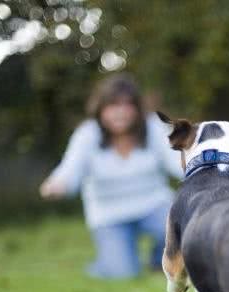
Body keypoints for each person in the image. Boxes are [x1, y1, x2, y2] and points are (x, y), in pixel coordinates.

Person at [40, 74, 182, 278]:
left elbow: (178, 161)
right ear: (100, 109)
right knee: (122, 274)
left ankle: (157, 261)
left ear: (137, 108)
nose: (120, 112)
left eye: (127, 105)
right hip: (109, 215)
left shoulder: (153, 127)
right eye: (113, 105)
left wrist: (204, 171)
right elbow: (70, 170)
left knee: (185, 226)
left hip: (154, 205)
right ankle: (105, 263)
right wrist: (57, 184)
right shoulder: (87, 134)